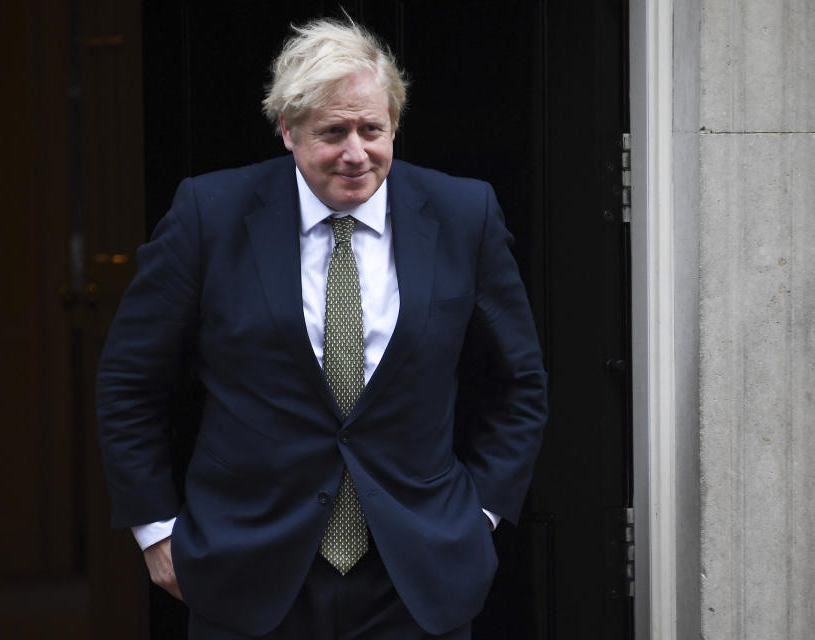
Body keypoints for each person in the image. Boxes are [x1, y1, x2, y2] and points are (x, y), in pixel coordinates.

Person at [97, 17, 547, 640]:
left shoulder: (464, 214)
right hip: (247, 569)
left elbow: (518, 382)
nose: (356, 153)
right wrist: (156, 532)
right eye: (333, 132)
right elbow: (129, 380)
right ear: (288, 130)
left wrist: (482, 514)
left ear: (394, 125)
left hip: (417, 572)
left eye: (373, 129)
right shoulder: (210, 215)